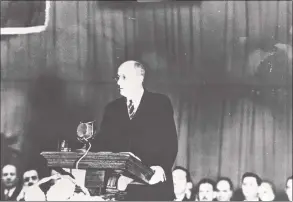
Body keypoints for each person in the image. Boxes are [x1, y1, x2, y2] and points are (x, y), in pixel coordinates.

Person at [92, 60, 178, 200]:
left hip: (153, 185)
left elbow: (170, 142)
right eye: (117, 77)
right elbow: (102, 143)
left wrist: (162, 167)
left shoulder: (160, 103)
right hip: (120, 189)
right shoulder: (112, 108)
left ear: (140, 78)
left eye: (124, 77)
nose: (119, 82)